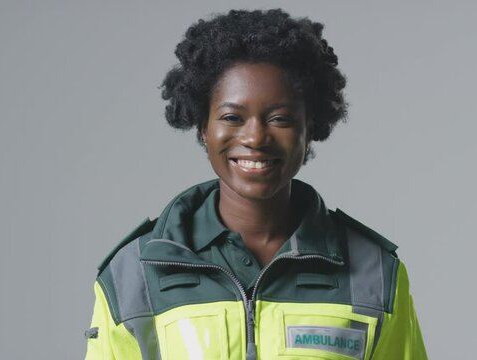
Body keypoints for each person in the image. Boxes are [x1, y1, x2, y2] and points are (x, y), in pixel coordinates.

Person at [84, 9, 427, 360]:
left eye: (279, 119)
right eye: (233, 117)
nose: (255, 137)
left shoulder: (375, 273)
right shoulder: (134, 272)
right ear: (203, 126)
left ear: (310, 129)